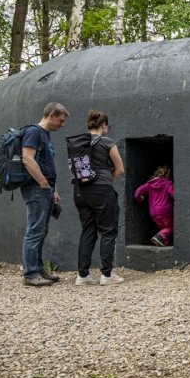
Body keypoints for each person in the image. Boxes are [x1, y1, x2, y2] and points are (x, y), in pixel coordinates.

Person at [73, 110, 125, 286]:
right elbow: (119, 169)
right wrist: (107, 180)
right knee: (108, 230)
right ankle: (106, 275)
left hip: (80, 191)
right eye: (107, 126)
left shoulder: (78, 143)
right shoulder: (107, 142)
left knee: (88, 230)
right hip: (102, 190)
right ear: (103, 125)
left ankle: (82, 275)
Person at [21, 102, 69, 287]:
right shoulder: (33, 132)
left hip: (45, 189)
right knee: (34, 230)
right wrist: (43, 184)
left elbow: (48, 165)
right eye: (60, 120)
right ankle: (31, 274)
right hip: (36, 189)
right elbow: (27, 159)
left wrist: (53, 190)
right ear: (51, 115)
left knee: (41, 230)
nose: (62, 124)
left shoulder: (45, 136)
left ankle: (39, 270)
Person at [134, 166, 174, 246]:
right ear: (167, 175)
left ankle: (162, 242)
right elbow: (173, 193)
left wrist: (139, 198)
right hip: (165, 211)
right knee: (172, 227)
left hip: (153, 213)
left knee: (164, 229)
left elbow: (138, 191)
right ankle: (160, 236)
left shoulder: (150, 184)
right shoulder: (167, 183)